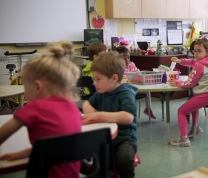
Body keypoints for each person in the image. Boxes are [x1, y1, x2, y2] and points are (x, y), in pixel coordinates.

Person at [0, 41, 82, 178]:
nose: (25, 93)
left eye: (25, 88)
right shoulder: (72, 106)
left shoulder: (36, 107)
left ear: (38, 87)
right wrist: (30, 151)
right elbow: (59, 145)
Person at [82, 51, 138, 178]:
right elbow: (86, 103)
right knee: (84, 160)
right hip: (103, 139)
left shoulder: (125, 93)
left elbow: (128, 117)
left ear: (114, 78)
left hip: (124, 140)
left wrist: (100, 115)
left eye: (98, 79)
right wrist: (88, 107)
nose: (94, 83)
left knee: (123, 158)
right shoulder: (102, 92)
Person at [168, 39, 208, 147]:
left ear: (207, 52)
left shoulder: (200, 65)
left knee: (181, 111)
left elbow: (190, 84)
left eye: (198, 51)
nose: (195, 53)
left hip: (204, 96)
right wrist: (180, 61)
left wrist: (177, 83)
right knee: (193, 105)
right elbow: (193, 62)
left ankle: (184, 139)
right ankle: (196, 128)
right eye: (194, 51)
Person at [116, 46, 156, 119]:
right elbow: (122, 77)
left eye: (128, 58)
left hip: (136, 87)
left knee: (147, 91)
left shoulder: (131, 64)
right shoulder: (117, 67)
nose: (127, 60)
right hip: (125, 90)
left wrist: (142, 77)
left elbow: (137, 72)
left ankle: (148, 109)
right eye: (124, 58)